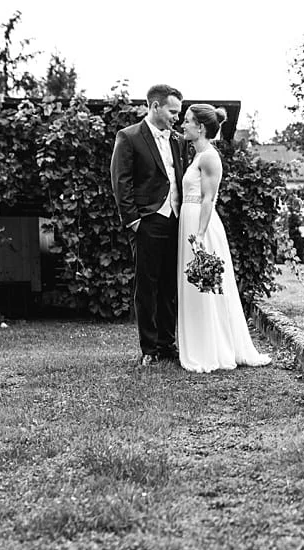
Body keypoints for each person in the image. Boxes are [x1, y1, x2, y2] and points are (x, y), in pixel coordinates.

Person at [176, 104, 272, 373]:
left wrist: (200, 235)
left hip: (200, 224)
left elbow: (209, 198)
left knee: (206, 288)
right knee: (196, 288)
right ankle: (200, 344)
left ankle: (212, 349)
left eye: (187, 121)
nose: (182, 125)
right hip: (190, 220)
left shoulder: (209, 157)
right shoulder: (197, 156)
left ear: (201, 127)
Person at [110, 84, 186, 367]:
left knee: (170, 285)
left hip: (176, 221)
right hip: (147, 221)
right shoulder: (129, 137)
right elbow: (121, 182)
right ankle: (150, 348)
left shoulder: (178, 140)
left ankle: (168, 344)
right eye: (172, 111)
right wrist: (133, 221)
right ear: (155, 107)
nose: (176, 117)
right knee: (147, 286)